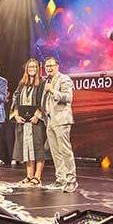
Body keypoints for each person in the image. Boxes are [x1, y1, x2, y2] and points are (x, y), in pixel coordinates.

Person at [42, 57, 78, 192]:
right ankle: (61, 179)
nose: (49, 68)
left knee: (65, 151)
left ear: (57, 66)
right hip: (50, 120)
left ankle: (71, 180)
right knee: (55, 152)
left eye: (51, 65)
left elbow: (68, 98)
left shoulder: (64, 79)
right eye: (46, 66)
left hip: (62, 119)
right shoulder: (47, 81)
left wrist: (52, 90)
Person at [11, 59, 48, 186]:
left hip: (36, 122)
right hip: (23, 121)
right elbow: (15, 99)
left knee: (38, 148)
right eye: (29, 67)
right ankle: (29, 176)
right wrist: (16, 115)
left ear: (38, 68)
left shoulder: (42, 83)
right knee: (26, 148)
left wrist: (38, 115)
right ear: (26, 69)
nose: (32, 68)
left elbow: (45, 100)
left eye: (34, 66)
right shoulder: (22, 84)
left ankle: (37, 177)